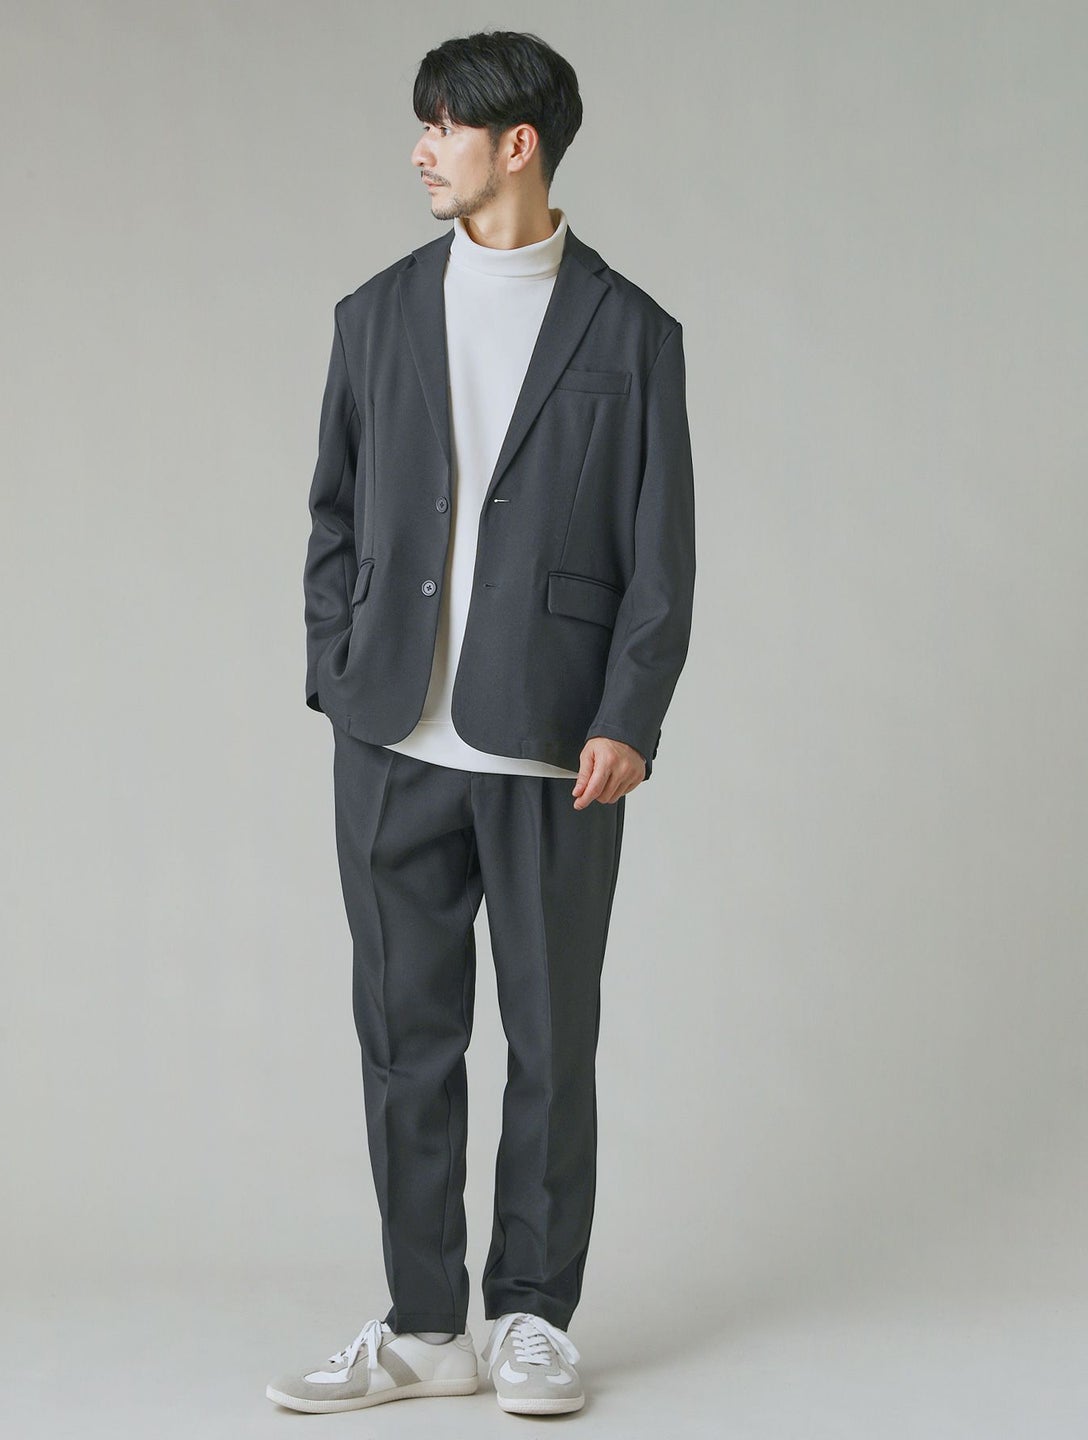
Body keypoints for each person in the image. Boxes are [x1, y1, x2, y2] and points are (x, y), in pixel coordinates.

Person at [267, 28, 695, 1417]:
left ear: (519, 144)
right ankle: (421, 1327)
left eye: (442, 126)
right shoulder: (375, 314)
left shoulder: (630, 332)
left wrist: (630, 714)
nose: (420, 151)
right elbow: (332, 515)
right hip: (394, 734)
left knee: (551, 1042)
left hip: (556, 746)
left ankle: (531, 1317)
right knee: (406, 1041)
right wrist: (338, 670)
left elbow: (661, 553)